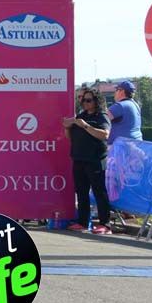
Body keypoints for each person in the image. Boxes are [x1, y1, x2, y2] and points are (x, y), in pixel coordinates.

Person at [63, 88, 112, 234]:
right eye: (83, 100)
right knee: (81, 191)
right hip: (79, 158)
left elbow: (105, 135)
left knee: (99, 191)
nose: (85, 102)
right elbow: (70, 137)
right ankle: (83, 222)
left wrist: (85, 125)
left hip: (95, 159)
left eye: (88, 100)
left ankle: (105, 224)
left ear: (96, 101)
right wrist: (67, 127)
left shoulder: (101, 116)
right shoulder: (81, 115)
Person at [107, 79, 142, 145]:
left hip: (123, 149)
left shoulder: (119, 106)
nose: (115, 93)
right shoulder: (136, 105)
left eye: (116, 90)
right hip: (137, 145)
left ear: (122, 91)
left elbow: (103, 119)